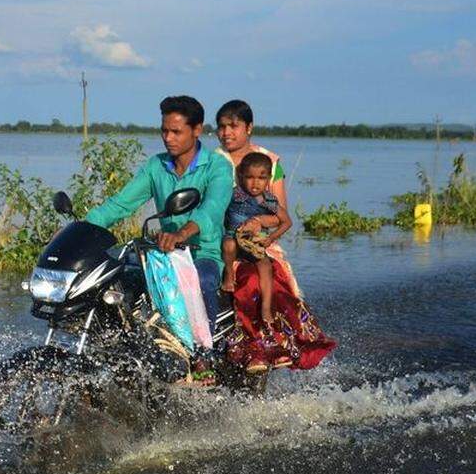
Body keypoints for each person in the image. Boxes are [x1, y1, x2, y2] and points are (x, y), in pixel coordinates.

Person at [84, 95, 232, 341]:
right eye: (164, 131)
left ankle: (205, 352)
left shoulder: (217, 166)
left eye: (176, 132)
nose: (168, 138)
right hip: (163, 254)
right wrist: (81, 229)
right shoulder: (156, 166)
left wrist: (181, 234)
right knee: (112, 277)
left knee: (202, 280)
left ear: (196, 130)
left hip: (202, 252)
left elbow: (212, 209)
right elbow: (120, 204)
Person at [213, 99, 336, 375]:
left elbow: (279, 213)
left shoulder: (270, 162)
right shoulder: (213, 161)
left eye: (233, 126)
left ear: (249, 127)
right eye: (221, 127)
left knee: (267, 281)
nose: (227, 133)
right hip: (222, 240)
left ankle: (269, 343)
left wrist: (258, 224)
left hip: (257, 242)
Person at [222, 152, 292, 327]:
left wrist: (271, 238)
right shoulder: (234, 194)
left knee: (266, 267)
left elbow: (287, 222)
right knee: (228, 245)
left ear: (268, 179)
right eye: (250, 177)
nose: (255, 183)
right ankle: (229, 275)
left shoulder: (268, 200)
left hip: (255, 243)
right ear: (241, 176)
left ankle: (266, 308)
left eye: (261, 178)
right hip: (233, 236)